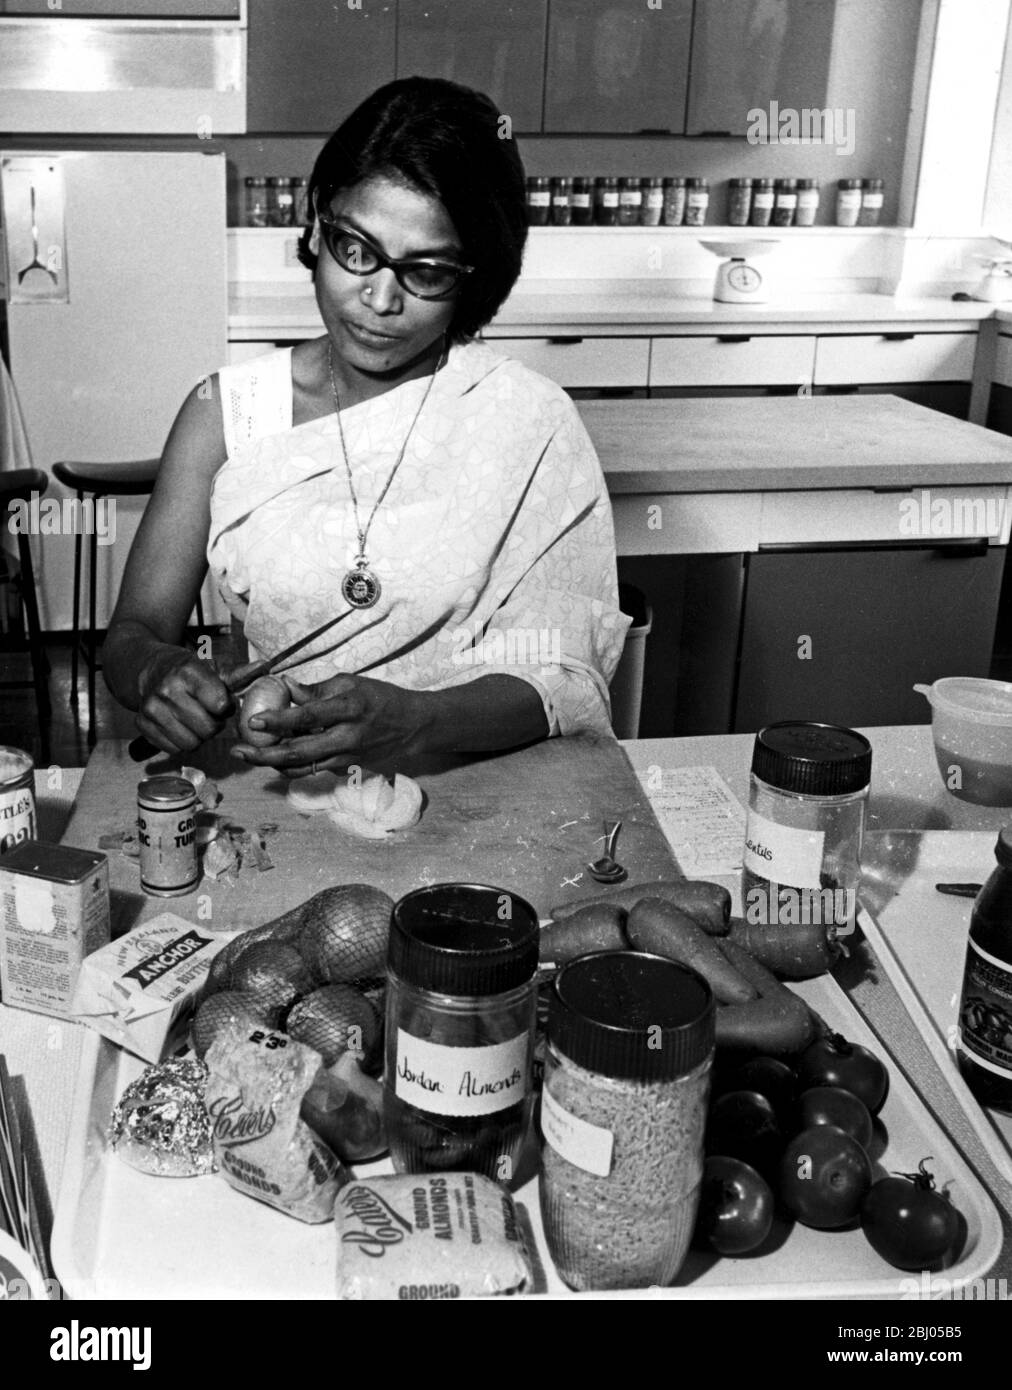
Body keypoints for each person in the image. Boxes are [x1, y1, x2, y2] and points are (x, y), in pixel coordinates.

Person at [103, 77, 630, 775]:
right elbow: (133, 634)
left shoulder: (528, 419)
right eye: (356, 249)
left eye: (427, 271)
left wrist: (419, 724)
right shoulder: (226, 412)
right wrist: (156, 674)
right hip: (288, 791)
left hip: (486, 790)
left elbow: (568, 671)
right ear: (317, 224)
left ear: (474, 277)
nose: (380, 299)